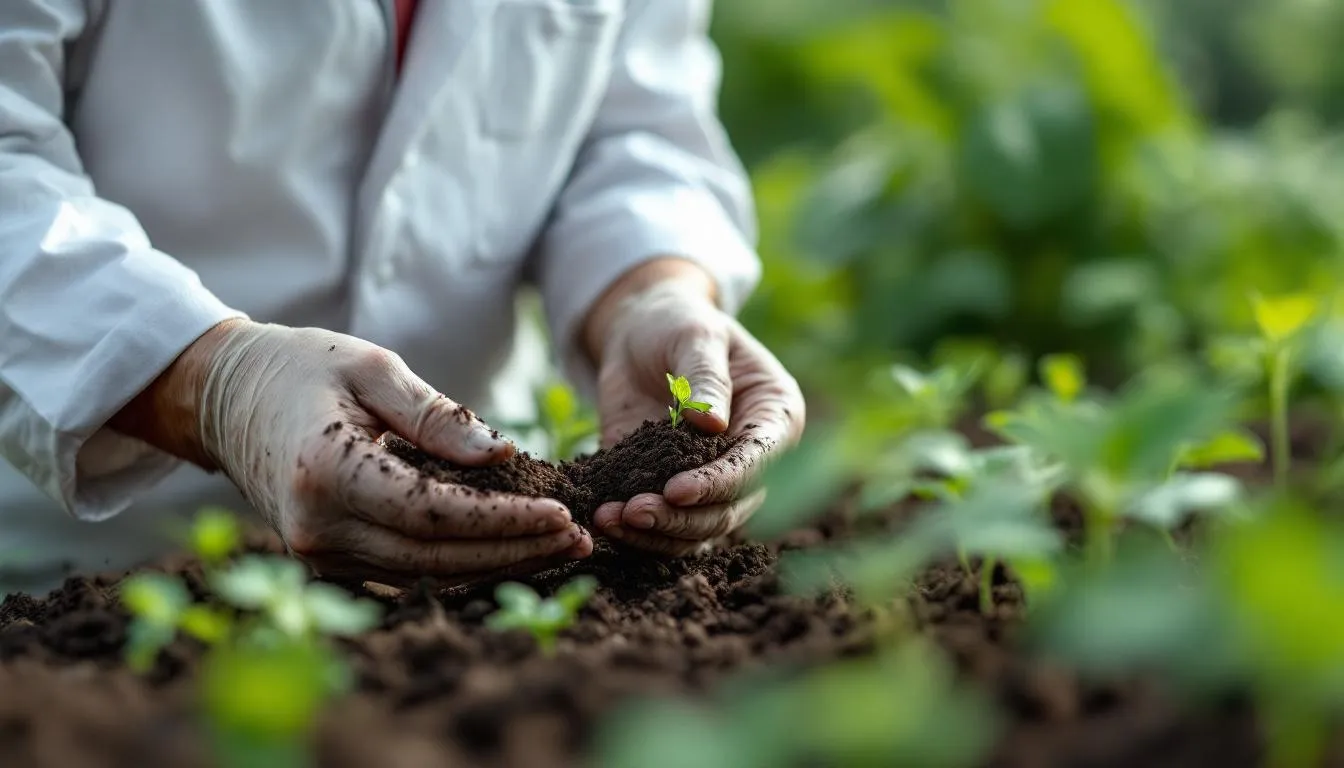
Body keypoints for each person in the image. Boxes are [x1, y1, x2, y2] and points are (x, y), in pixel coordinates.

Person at [0, 0, 805, 595]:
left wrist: (646, 293)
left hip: (475, 575)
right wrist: (216, 385)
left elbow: (628, 126)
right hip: (75, 581)